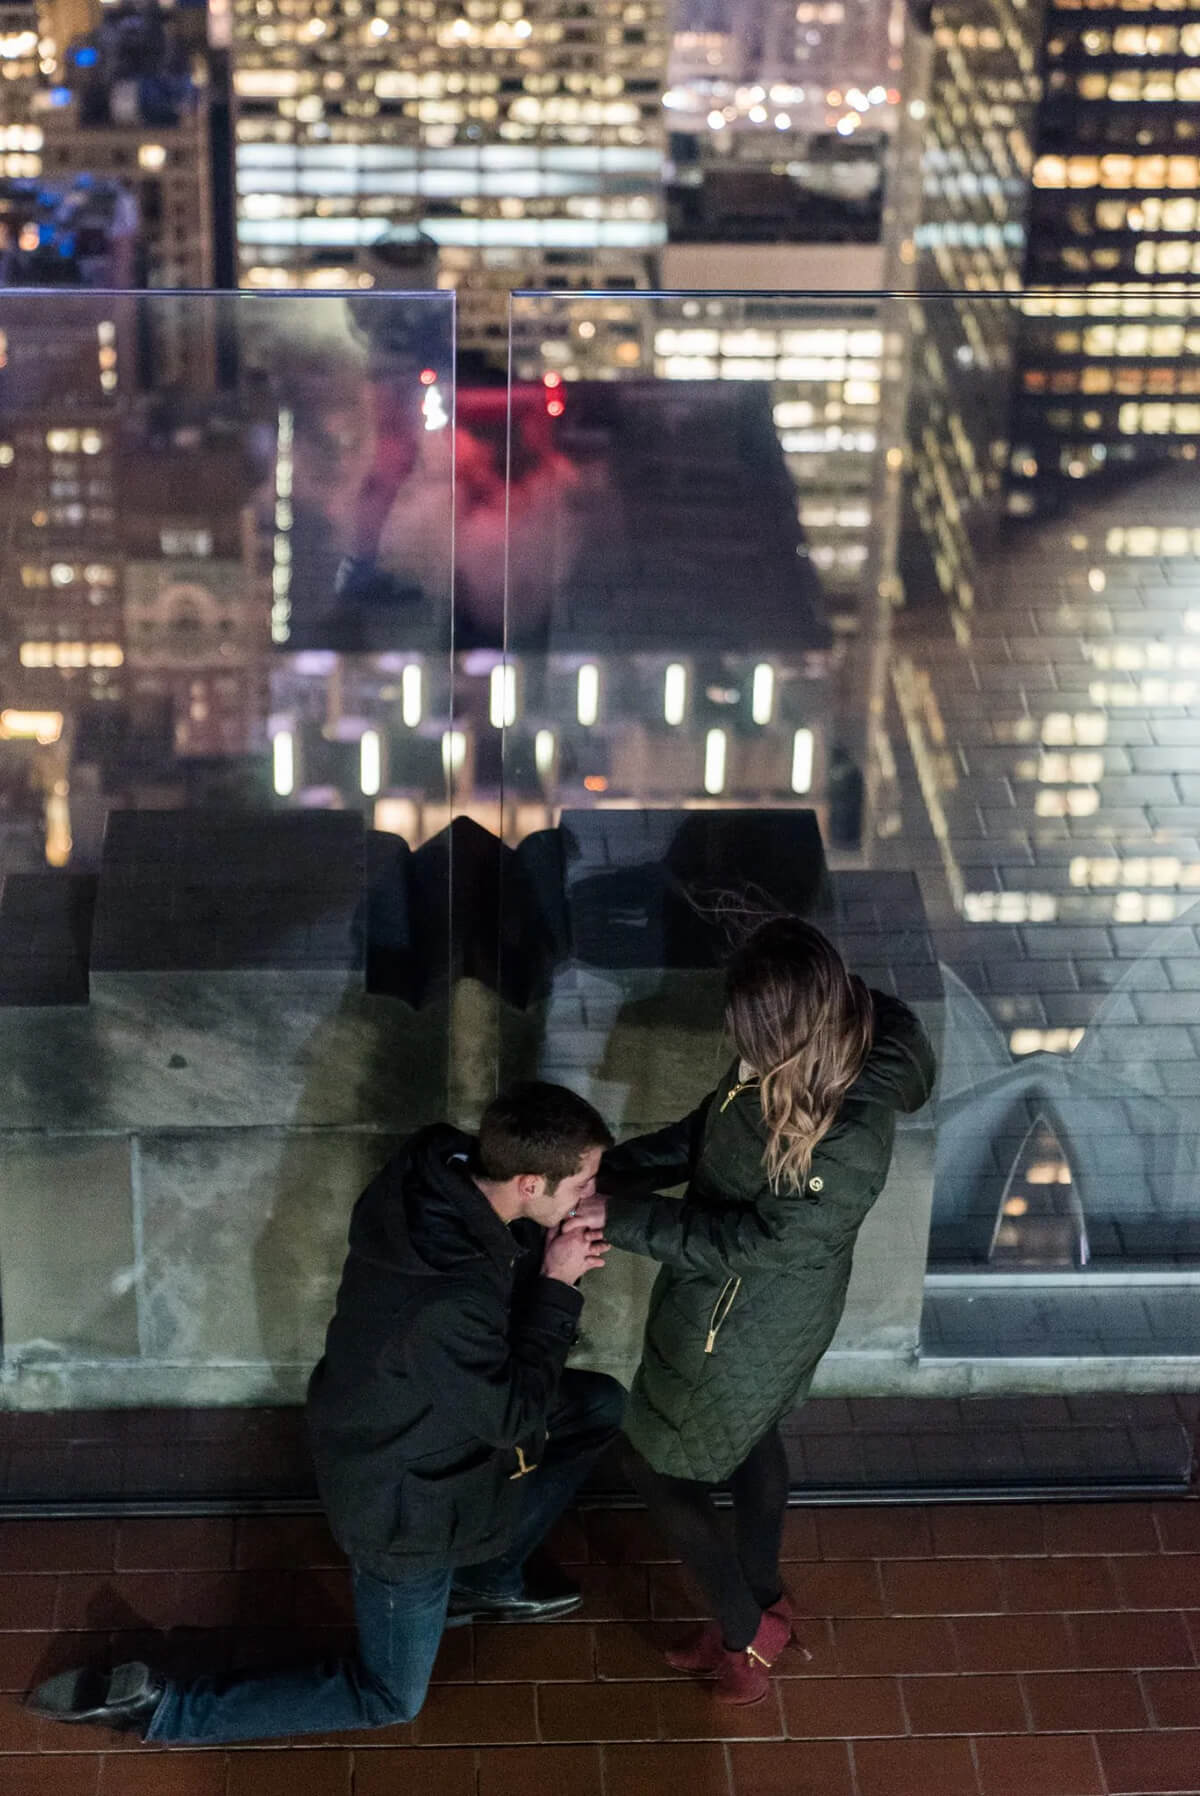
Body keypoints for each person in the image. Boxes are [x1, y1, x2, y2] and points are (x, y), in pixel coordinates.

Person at [31, 1082, 624, 1742]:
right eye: (582, 1185)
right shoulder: (447, 1300)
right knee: (390, 1696)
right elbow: (513, 1418)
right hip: (404, 1507)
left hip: (403, 1418)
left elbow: (489, 1309)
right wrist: (557, 1285)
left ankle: (486, 1579)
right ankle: (167, 1713)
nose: (590, 1196)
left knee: (596, 1405)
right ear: (530, 1182)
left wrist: (543, 1238)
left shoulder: (437, 1168)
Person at [588, 917, 935, 1705]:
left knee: (654, 1466)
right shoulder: (799, 1057)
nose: (737, 1047)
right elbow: (708, 1138)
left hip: (743, 1320)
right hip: (765, 1315)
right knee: (750, 1438)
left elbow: (760, 1244)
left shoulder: (845, 1130)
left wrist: (622, 1218)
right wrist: (604, 1173)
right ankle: (765, 1594)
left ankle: (748, 1632)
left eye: (751, 1033)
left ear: (793, 1026)